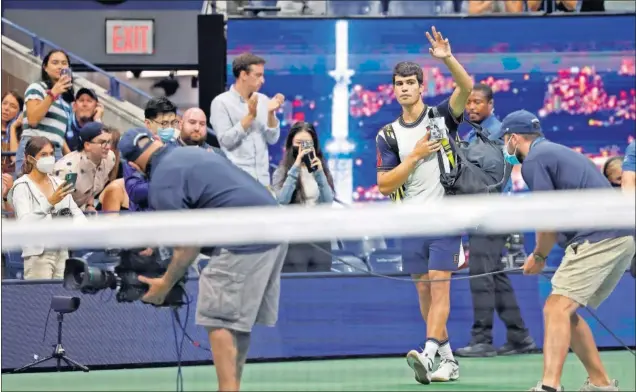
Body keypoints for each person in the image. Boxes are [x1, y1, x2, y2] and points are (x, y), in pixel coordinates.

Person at [118, 128, 288, 392]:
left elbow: (189, 245)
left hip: (243, 239)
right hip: (277, 233)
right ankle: (232, 388)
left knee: (217, 318)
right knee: (233, 323)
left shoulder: (161, 180)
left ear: (132, 165)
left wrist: (165, 284)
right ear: (157, 141)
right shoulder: (193, 153)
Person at [498, 110, 635, 392]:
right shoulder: (553, 151)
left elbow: (549, 218)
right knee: (566, 312)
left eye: (504, 141)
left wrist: (538, 256)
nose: (505, 148)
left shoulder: (534, 161)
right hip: (619, 237)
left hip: (600, 237)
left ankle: (550, 386)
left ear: (513, 138)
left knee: (556, 307)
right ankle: (601, 384)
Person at [376, 27, 473, 384]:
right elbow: (385, 184)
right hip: (410, 222)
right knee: (423, 291)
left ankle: (429, 351)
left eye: (410, 82)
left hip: (445, 219)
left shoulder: (441, 117)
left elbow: (465, 88)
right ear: (394, 89)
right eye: (398, 83)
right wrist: (415, 156)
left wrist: (446, 57)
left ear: (421, 87)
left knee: (439, 285)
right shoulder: (387, 134)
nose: (404, 88)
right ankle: (448, 360)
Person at [456, 84, 536, 358]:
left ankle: (482, 339)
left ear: (490, 104)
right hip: (482, 214)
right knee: (495, 276)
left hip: (491, 215)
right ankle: (519, 336)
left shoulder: (498, 135)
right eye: (468, 103)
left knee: (480, 276)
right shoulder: (474, 134)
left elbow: (490, 180)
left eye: (477, 102)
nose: (472, 107)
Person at [7, 136, 84, 279]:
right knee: (40, 300)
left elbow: (77, 213)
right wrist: (50, 202)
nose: (49, 158)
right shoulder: (21, 186)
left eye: (51, 154)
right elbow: (24, 223)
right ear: (30, 159)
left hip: (62, 251)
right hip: (38, 253)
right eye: (43, 155)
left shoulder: (59, 183)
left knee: (61, 298)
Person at [209, 52, 285, 186]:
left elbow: (272, 139)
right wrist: (250, 116)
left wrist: (271, 113)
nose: (263, 80)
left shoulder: (263, 100)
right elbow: (226, 141)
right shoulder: (221, 102)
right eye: (258, 75)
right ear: (243, 75)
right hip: (237, 181)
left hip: (263, 180)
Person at [272, 121, 334, 272]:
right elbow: (282, 201)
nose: (303, 148)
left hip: (320, 240)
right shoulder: (281, 172)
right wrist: (295, 169)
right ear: (290, 145)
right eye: (299, 143)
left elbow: (328, 201)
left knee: (322, 288)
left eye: (308, 143)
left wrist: (319, 174)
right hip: (294, 241)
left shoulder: (322, 170)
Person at [16, 49, 74, 176]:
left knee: (54, 193)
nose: (60, 66)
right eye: (55, 62)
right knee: (30, 193)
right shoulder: (36, 88)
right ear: (45, 68)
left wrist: (70, 157)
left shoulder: (65, 99)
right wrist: (53, 93)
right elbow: (32, 119)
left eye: (64, 63)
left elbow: (57, 133)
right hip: (35, 147)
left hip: (55, 151)